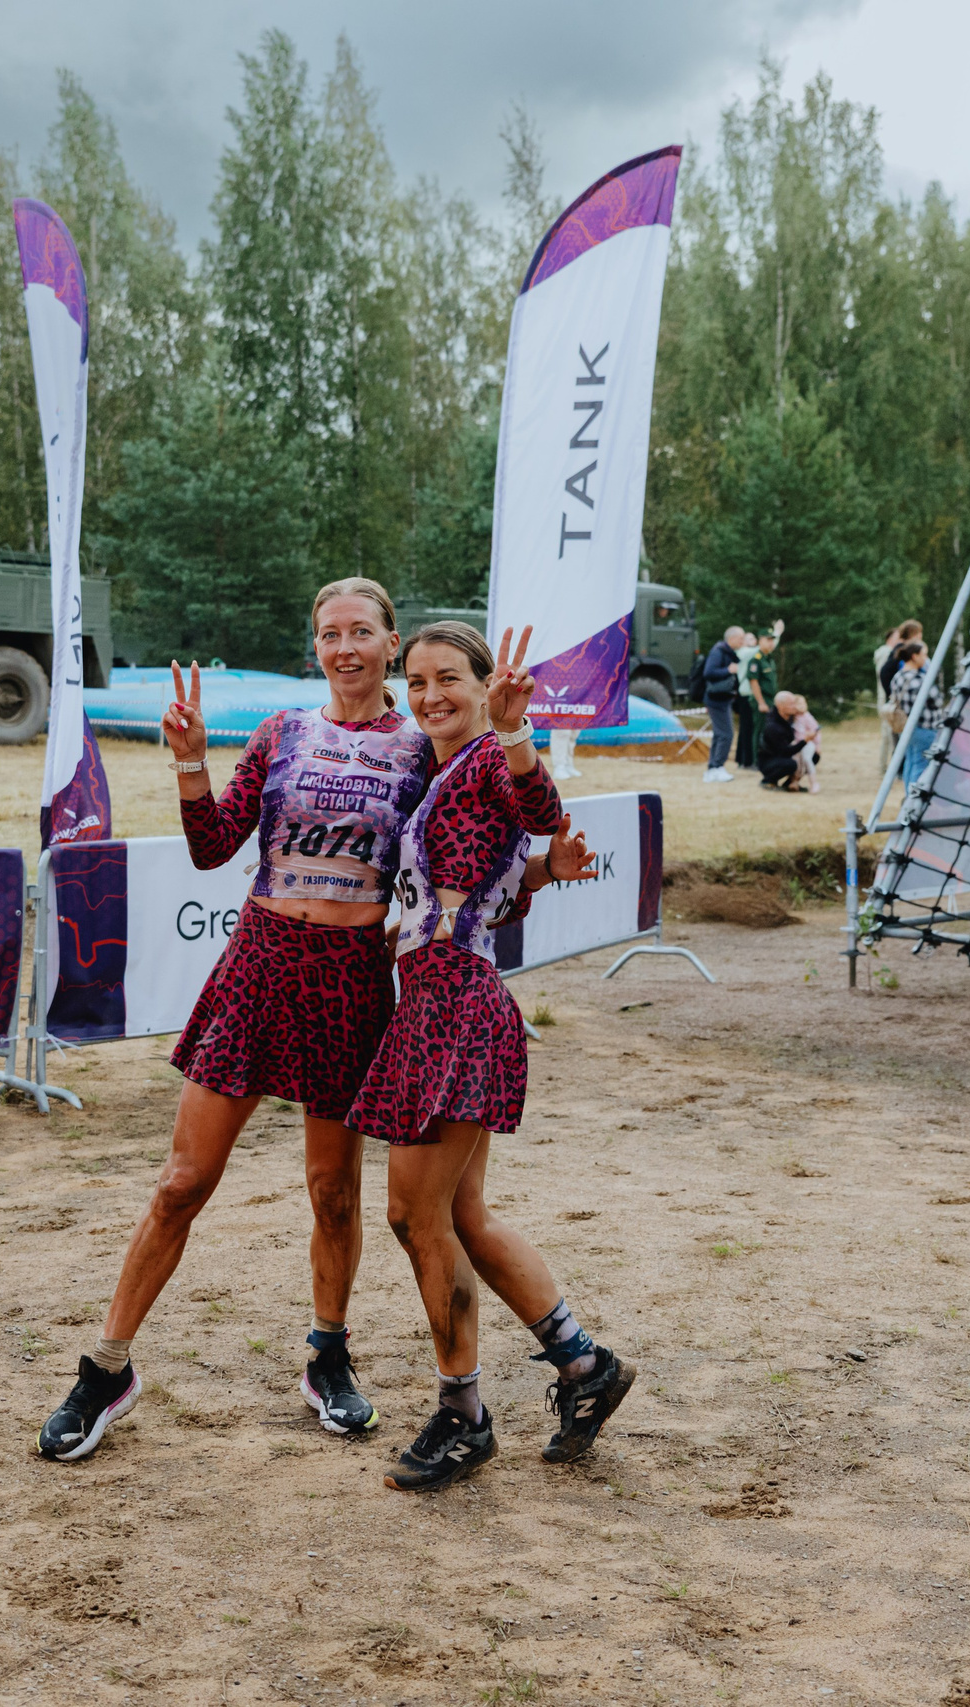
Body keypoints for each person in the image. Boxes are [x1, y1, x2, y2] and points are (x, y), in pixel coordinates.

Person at [37, 580, 582, 1463]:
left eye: (361, 631)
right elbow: (214, 844)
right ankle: (107, 1366)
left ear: (388, 641)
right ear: (315, 647)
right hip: (259, 963)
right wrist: (187, 759)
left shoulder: (424, 751)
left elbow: (475, 862)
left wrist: (545, 864)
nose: (345, 648)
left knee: (333, 1192)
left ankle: (328, 1354)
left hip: (352, 980)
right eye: (330, 634)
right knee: (183, 1180)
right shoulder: (282, 732)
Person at [349, 621, 634, 1492]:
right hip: (443, 998)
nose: (430, 695)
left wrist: (514, 731)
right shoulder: (446, 780)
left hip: (454, 1007)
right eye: (418, 680)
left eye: (449, 679)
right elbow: (498, 885)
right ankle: (584, 1366)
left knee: (413, 1216)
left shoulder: (484, 761)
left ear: (484, 686)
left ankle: (463, 1413)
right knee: (460, 1216)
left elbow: (543, 808)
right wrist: (544, 871)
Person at [700, 626, 747, 783]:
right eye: (740, 638)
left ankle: (713, 768)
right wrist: (728, 670)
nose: (742, 641)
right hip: (716, 699)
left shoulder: (727, 652)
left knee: (720, 734)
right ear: (731, 638)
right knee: (726, 734)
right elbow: (708, 672)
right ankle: (717, 767)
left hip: (722, 699)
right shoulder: (718, 651)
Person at [890, 641, 937, 789]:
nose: (926, 658)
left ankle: (908, 797)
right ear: (914, 656)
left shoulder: (898, 676)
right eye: (924, 655)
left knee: (911, 762)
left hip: (906, 727)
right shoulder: (919, 679)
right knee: (921, 766)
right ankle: (914, 802)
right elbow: (937, 699)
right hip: (924, 727)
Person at [876, 620, 921, 773]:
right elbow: (884, 672)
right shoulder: (901, 653)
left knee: (899, 739)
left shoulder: (899, 651)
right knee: (899, 740)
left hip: (898, 702)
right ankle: (896, 770)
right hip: (900, 705)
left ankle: (897, 770)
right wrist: (893, 695)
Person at [736, 627, 779, 771]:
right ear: (760, 641)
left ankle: (767, 758)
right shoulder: (755, 660)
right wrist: (760, 702)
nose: (771, 643)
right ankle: (755, 760)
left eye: (772, 640)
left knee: (768, 731)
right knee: (758, 730)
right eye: (768, 640)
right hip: (761, 700)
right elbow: (754, 683)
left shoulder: (769, 659)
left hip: (770, 699)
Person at [759, 690, 820, 791]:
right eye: (791, 704)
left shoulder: (792, 717)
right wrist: (805, 740)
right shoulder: (773, 726)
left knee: (814, 757)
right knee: (791, 764)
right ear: (780, 706)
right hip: (770, 761)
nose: (795, 706)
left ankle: (790, 783)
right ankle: (768, 781)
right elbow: (786, 751)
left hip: (785, 755)